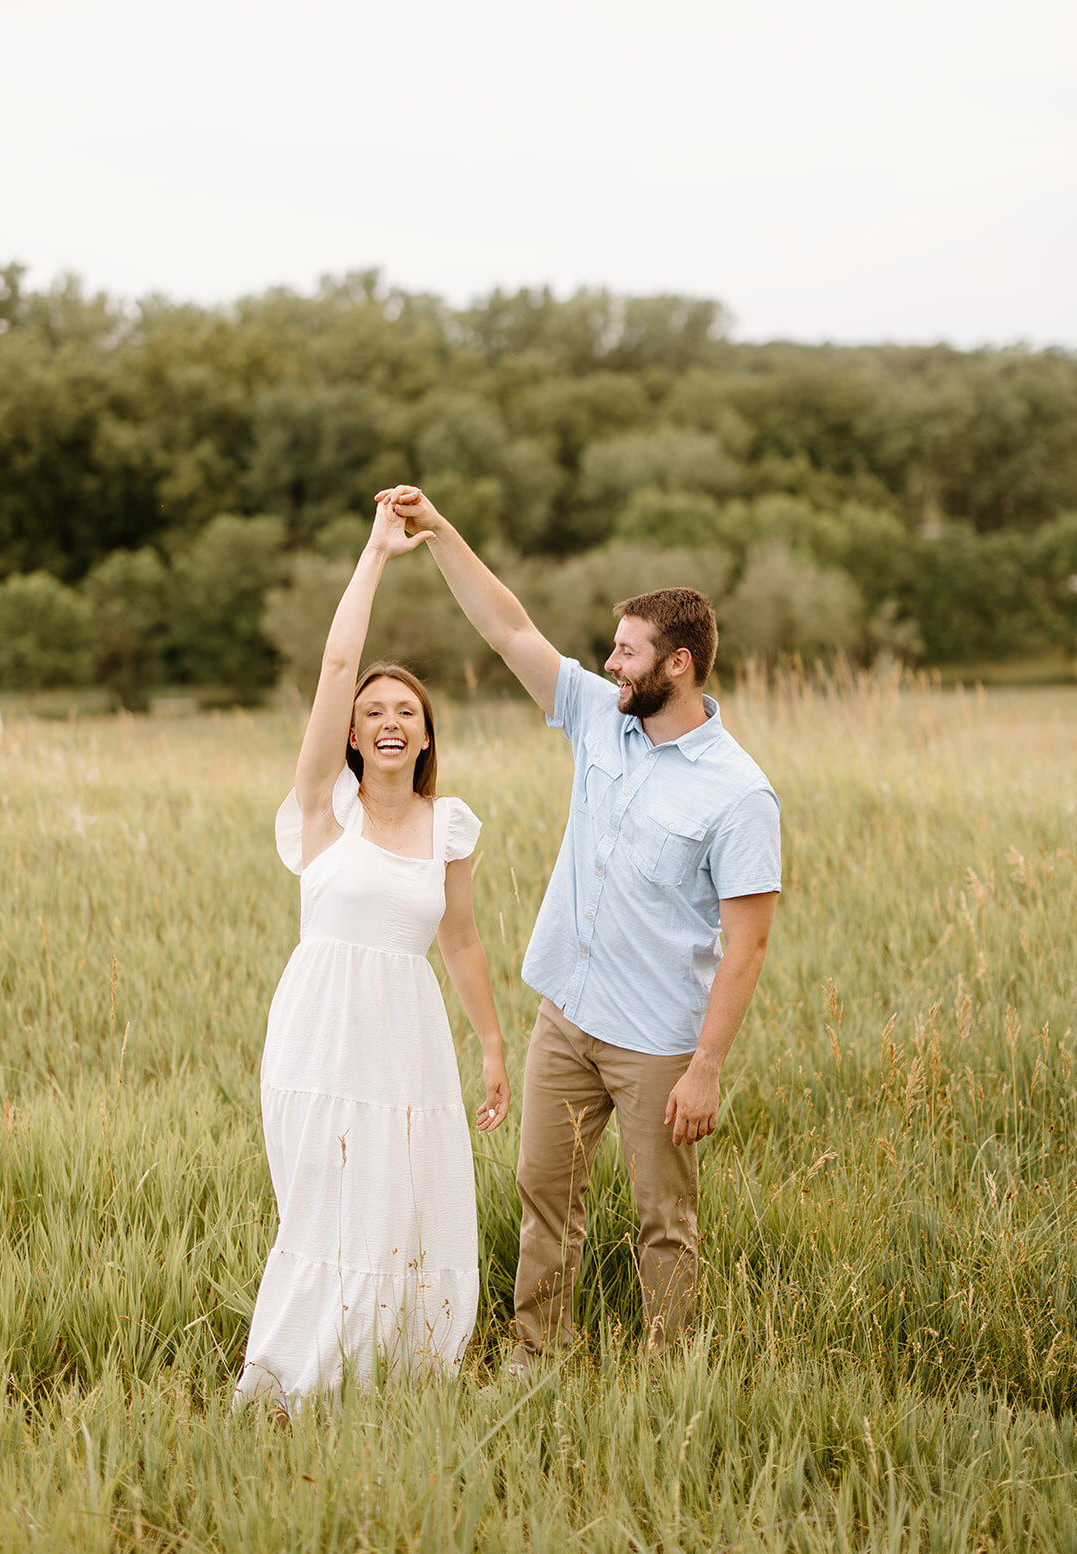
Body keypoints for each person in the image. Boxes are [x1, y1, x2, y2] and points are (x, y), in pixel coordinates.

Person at [377, 484, 780, 1370]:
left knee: (662, 1223)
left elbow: (747, 943)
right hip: (565, 1015)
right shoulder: (601, 718)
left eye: (626, 652)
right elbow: (508, 629)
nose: (609, 663)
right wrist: (439, 531)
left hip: (657, 1044)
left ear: (676, 665)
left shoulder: (739, 794)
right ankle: (534, 1358)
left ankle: (672, 1379)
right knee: (543, 1195)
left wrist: (704, 1067)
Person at [234, 498, 510, 1414]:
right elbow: (336, 661)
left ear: (426, 735)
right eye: (372, 712)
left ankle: (390, 1374)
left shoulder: (450, 827)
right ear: (351, 735)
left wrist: (495, 1048)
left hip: (409, 1036)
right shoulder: (324, 811)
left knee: (401, 1197)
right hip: (318, 1032)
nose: (388, 719)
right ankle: (291, 1373)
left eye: (407, 711)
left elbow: (461, 940)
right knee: (322, 1201)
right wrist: (377, 554)